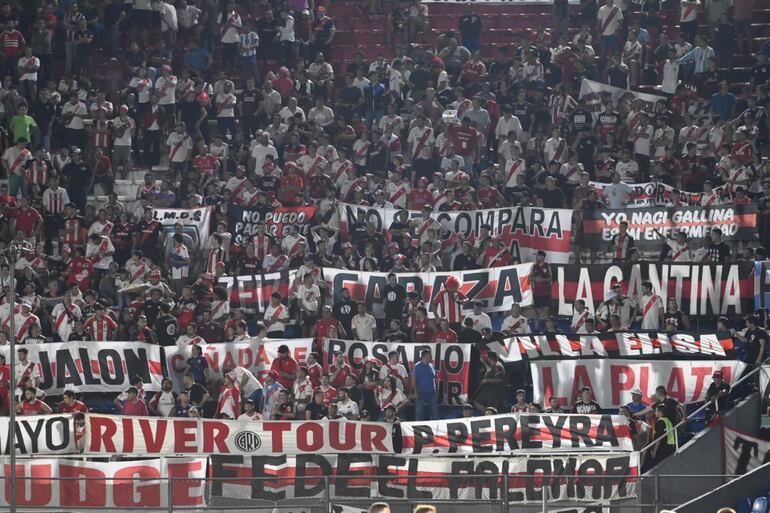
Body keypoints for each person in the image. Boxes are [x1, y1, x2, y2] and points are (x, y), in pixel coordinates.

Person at [412, 349, 439, 421]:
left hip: (432, 392)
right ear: (425, 356)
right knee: (419, 413)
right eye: (430, 355)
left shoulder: (432, 366)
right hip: (421, 392)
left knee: (434, 412)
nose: (432, 357)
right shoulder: (417, 366)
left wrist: (437, 390)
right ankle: (417, 428)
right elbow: (413, 381)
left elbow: (434, 379)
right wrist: (416, 392)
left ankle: (435, 428)